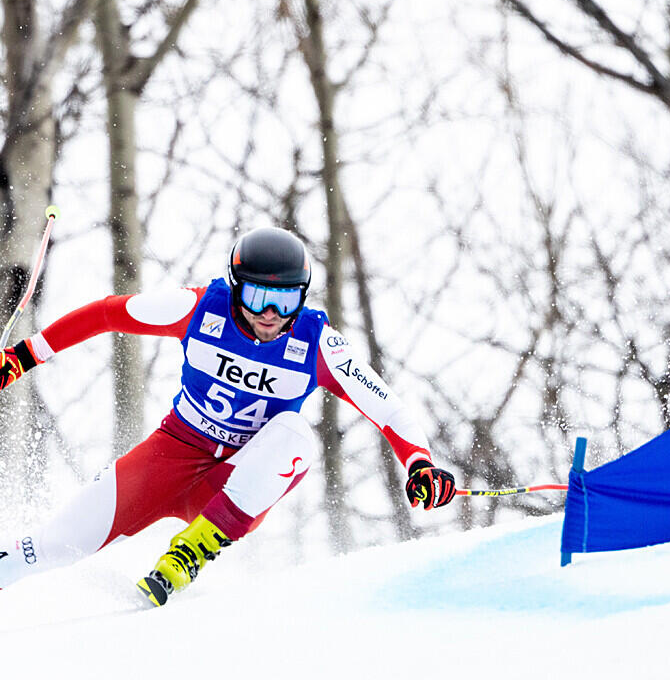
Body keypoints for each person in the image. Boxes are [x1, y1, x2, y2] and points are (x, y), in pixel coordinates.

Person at [0, 227, 455, 606]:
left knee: (298, 435)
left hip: (232, 485)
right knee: (50, 545)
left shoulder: (318, 343)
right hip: (169, 458)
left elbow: (387, 407)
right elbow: (106, 314)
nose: (271, 315)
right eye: (258, 297)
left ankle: (190, 554)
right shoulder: (199, 308)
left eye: (286, 300)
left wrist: (419, 463)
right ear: (237, 287)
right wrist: (22, 357)